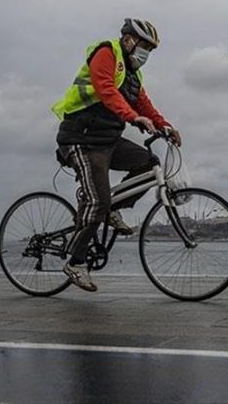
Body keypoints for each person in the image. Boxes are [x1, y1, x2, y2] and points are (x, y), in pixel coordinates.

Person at [51, 18, 181, 292]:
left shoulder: (133, 74)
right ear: (128, 39)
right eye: (144, 45)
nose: (146, 52)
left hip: (108, 139)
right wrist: (133, 118)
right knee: (98, 200)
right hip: (81, 137)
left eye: (151, 49)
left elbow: (144, 103)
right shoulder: (106, 52)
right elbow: (106, 90)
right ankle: (75, 262)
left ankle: (111, 210)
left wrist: (165, 125)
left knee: (148, 163)